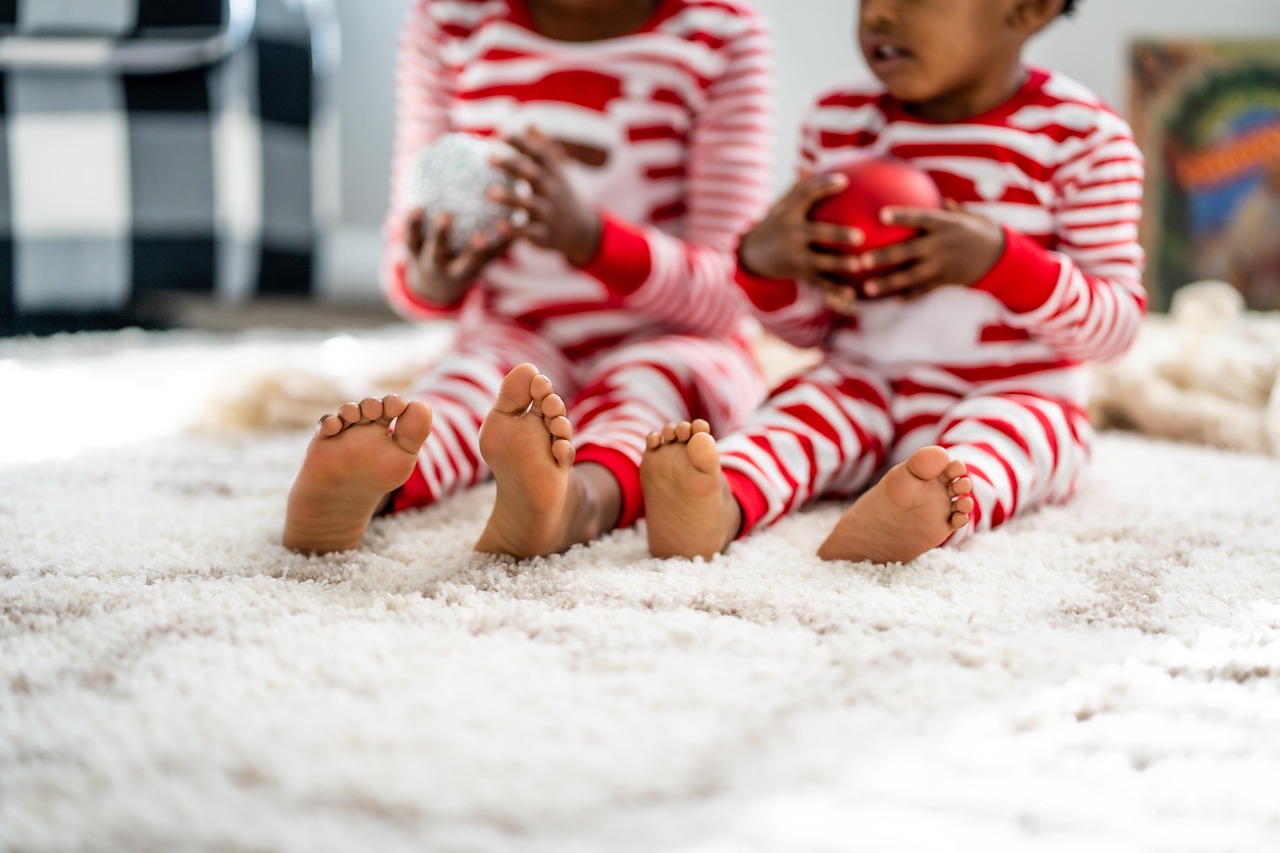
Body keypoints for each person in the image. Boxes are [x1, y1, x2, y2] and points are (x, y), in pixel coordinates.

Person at [639, 0, 1148, 564]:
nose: (878, 13)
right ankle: (718, 501)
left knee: (1023, 440)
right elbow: (810, 329)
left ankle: (926, 509)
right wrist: (765, 269)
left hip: (1013, 391)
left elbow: (1115, 330)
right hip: (864, 383)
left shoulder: (1083, 139)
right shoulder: (839, 124)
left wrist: (1001, 264)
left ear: (1027, 10)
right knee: (797, 414)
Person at [282, 0, 775, 557]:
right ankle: (374, 488)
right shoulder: (450, 22)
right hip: (512, 330)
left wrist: (592, 241)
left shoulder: (718, 32)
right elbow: (407, 266)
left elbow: (734, 294)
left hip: (671, 334)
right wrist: (431, 278)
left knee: (651, 397)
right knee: (462, 391)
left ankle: (577, 503)